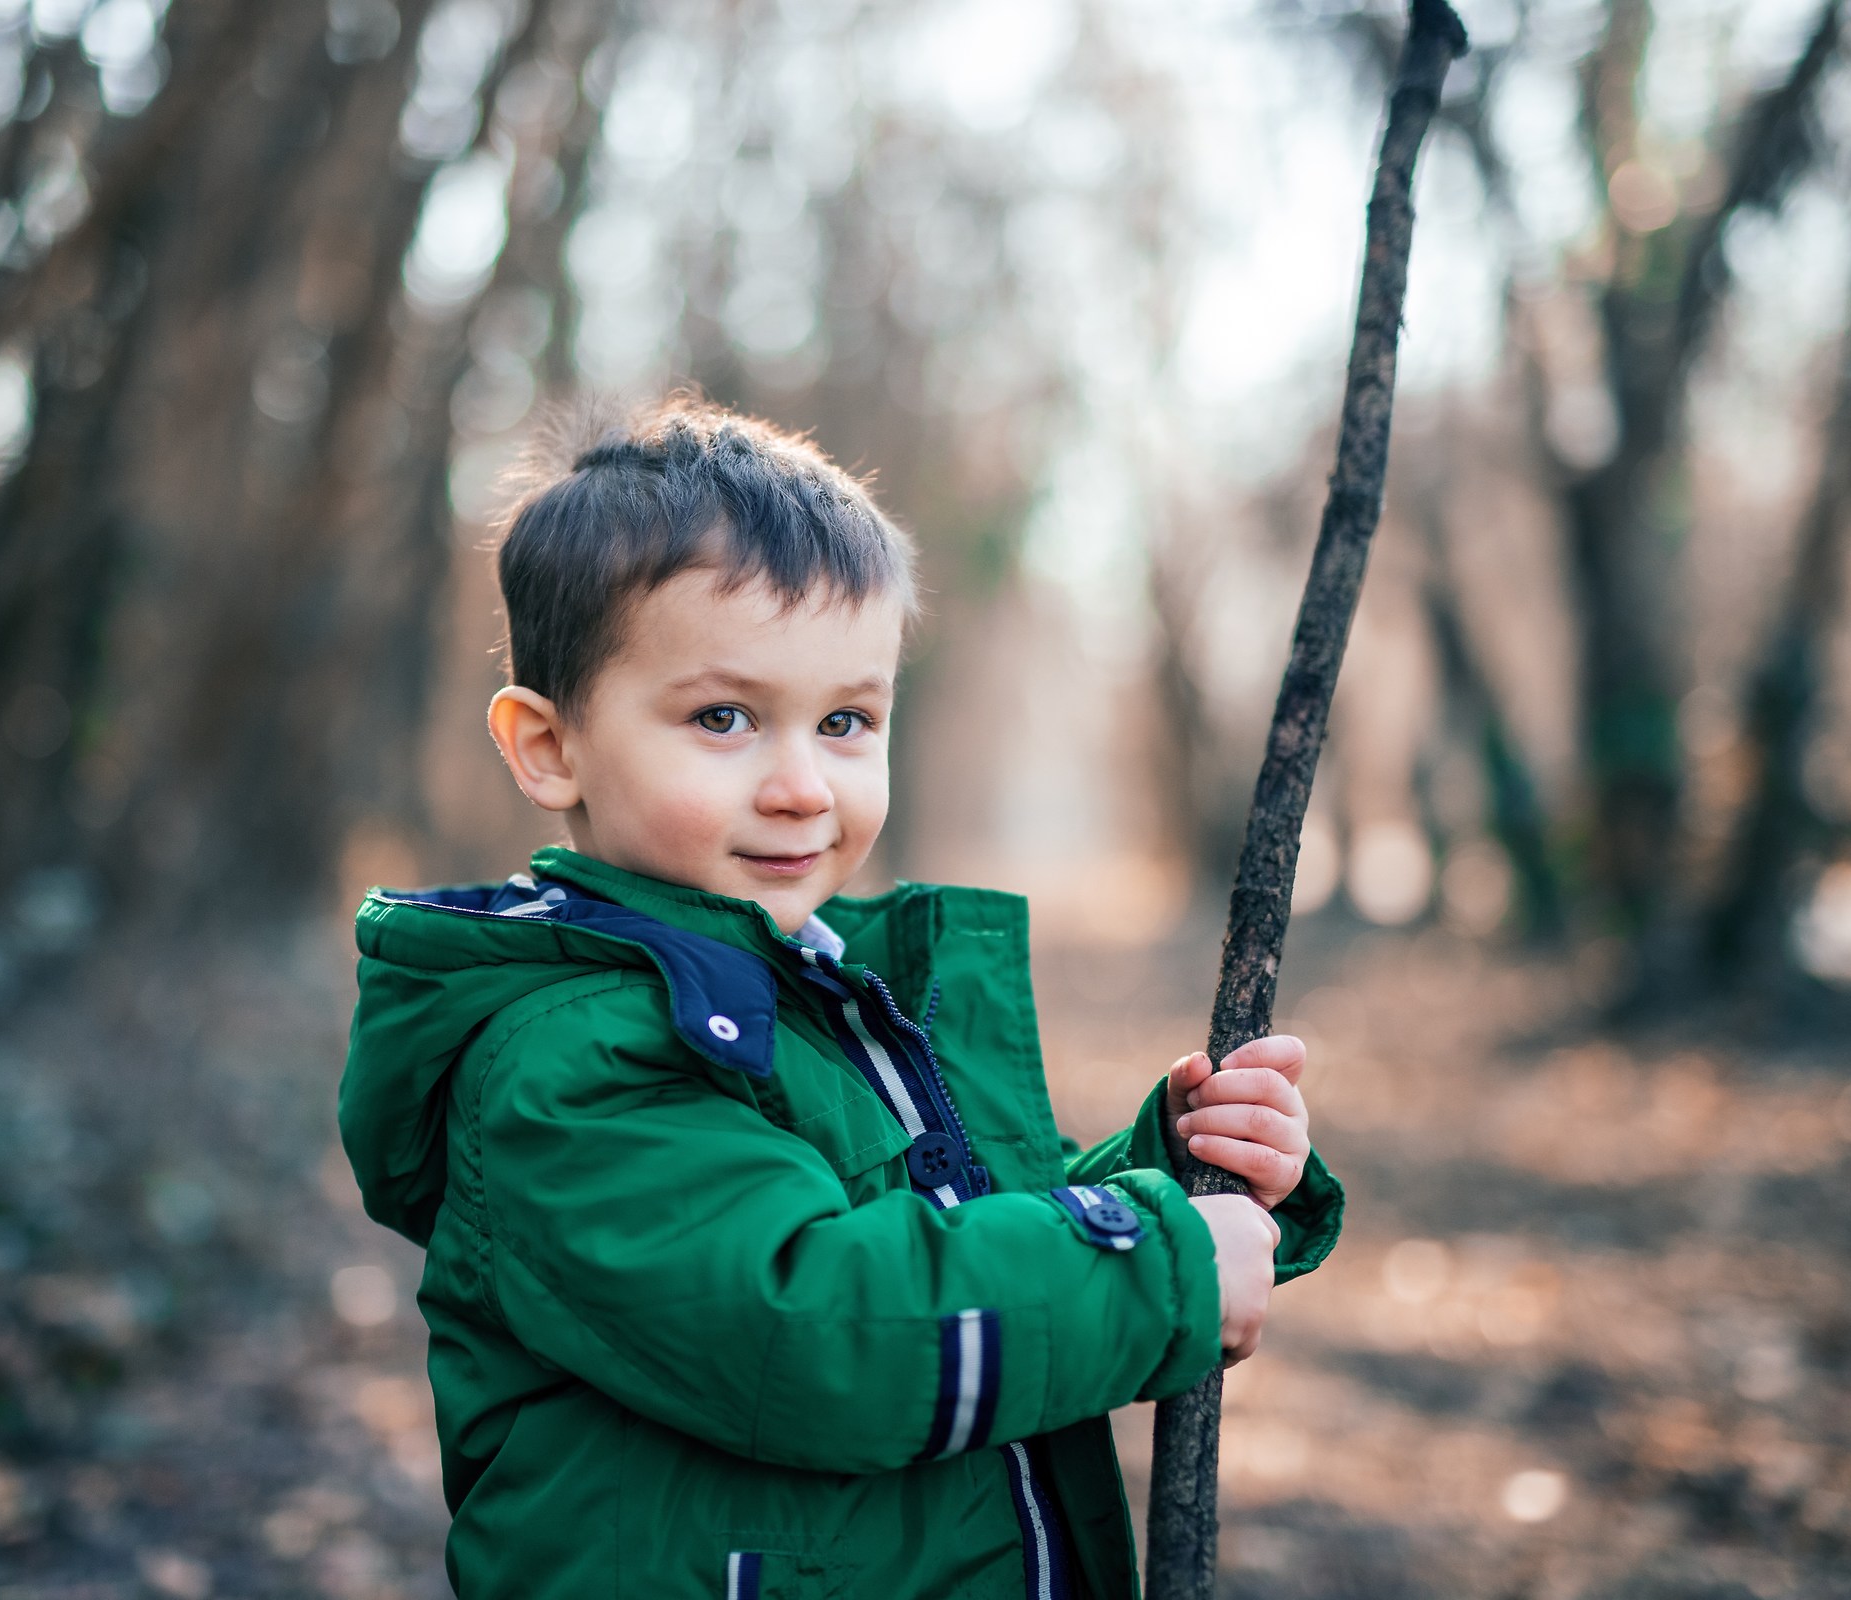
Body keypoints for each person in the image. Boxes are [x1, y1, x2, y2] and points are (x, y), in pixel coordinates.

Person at [339, 398, 1342, 1600]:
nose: (803, 785)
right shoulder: (566, 1056)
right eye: (725, 718)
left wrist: (1176, 1175)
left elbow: (951, 1233)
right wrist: (1158, 1267)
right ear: (550, 747)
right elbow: (814, 1327)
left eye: (847, 720)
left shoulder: (824, 993)